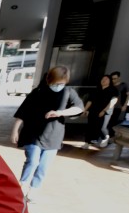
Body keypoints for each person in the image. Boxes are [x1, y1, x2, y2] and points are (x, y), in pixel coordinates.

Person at [10, 66, 83, 201]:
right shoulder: (38, 92)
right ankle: (23, 186)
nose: (58, 86)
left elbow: (79, 108)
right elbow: (23, 112)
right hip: (33, 133)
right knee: (33, 161)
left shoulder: (68, 91)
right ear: (49, 79)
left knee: (44, 166)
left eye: (62, 83)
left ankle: (34, 190)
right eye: (56, 82)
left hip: (54, 135)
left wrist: (60, 112)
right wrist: (15, 130)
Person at [83, 74, 119, 147]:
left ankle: (105, 137)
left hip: (105, 111)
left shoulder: (113, 89)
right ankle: (87, 142)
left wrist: (104, 111)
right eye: (103, 79)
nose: (104, 80)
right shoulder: (96, 89)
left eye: (106, 79)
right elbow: (90, 101)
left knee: (102, 127)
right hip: (93, 111)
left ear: (110, 81)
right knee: (90, 126)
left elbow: (113, 101)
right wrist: (85, 110)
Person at [110, 71, 129, 136]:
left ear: (119, 78)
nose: (113, 80)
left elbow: (128, 95)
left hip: (118, 106)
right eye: (112, 79)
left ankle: (111, 136)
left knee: (113, 121)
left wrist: (125, 105)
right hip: (109, 106)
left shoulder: (123, 85)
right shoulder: (110, 85)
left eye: (115, 78)